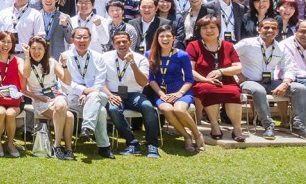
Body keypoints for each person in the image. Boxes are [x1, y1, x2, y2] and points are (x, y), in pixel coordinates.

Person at [98, 28, 161, 158]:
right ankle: (132, 143)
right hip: (113, 93)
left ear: (130, 42)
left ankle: (152, 145)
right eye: (118, 42)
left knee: (148, 107)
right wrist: (110, 95)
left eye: (124, 42)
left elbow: (143, 82)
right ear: (113, 44)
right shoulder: (104, 58)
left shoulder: (140, 59)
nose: (122, 45)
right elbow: (100, 81)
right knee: (114, 110)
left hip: (134, 93)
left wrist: (132, 63)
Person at [186, 14, 247, 142]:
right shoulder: (193, 45)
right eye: (204, 28)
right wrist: (205, 79)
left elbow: (238, 68)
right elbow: (189, 70)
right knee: (209, 90)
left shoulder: (228, 46)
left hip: (227, 81)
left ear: (219, 29)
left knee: (234, 92)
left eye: (212, 27)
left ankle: (237, 128)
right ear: (199, 31)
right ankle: (214, 125)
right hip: (202, 82)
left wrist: (221, 71)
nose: (209, 30)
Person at [146, 25, 205, 154]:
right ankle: (186, 136)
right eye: (161, 36)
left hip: (181, 91)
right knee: (167, 109)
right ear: (157, 38)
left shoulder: (182, 55)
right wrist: (161, 94)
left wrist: (180, 93)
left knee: (179, 110)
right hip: (161, 93)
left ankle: (197, 135)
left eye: (168, 36)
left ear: (174, 38)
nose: (165, 39)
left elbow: (189, 79)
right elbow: (151, 79)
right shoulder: (149, 54)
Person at [58, 26, 114, 159]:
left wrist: (87, 93)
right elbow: (64, 81)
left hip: (96, 94)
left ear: (90, 39)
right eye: (78, 37)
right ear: (72, 39)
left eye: (85, 37)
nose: (82, 40)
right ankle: (103, 146)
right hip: (74, 98)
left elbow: (100, 81)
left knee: (95, 96)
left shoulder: (98, 57)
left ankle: (87, 128)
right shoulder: (65, 57)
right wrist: (82, 90)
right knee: (101, 111)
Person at [0, 30, 25, 158]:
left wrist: (28, 56)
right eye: (2, 41)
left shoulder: (18, 60)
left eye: (9, 42)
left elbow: (24, 74)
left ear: (13, 44)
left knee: (10, 113)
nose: (5, 44)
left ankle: (10, 143)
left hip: (14, 99)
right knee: (1, 113)